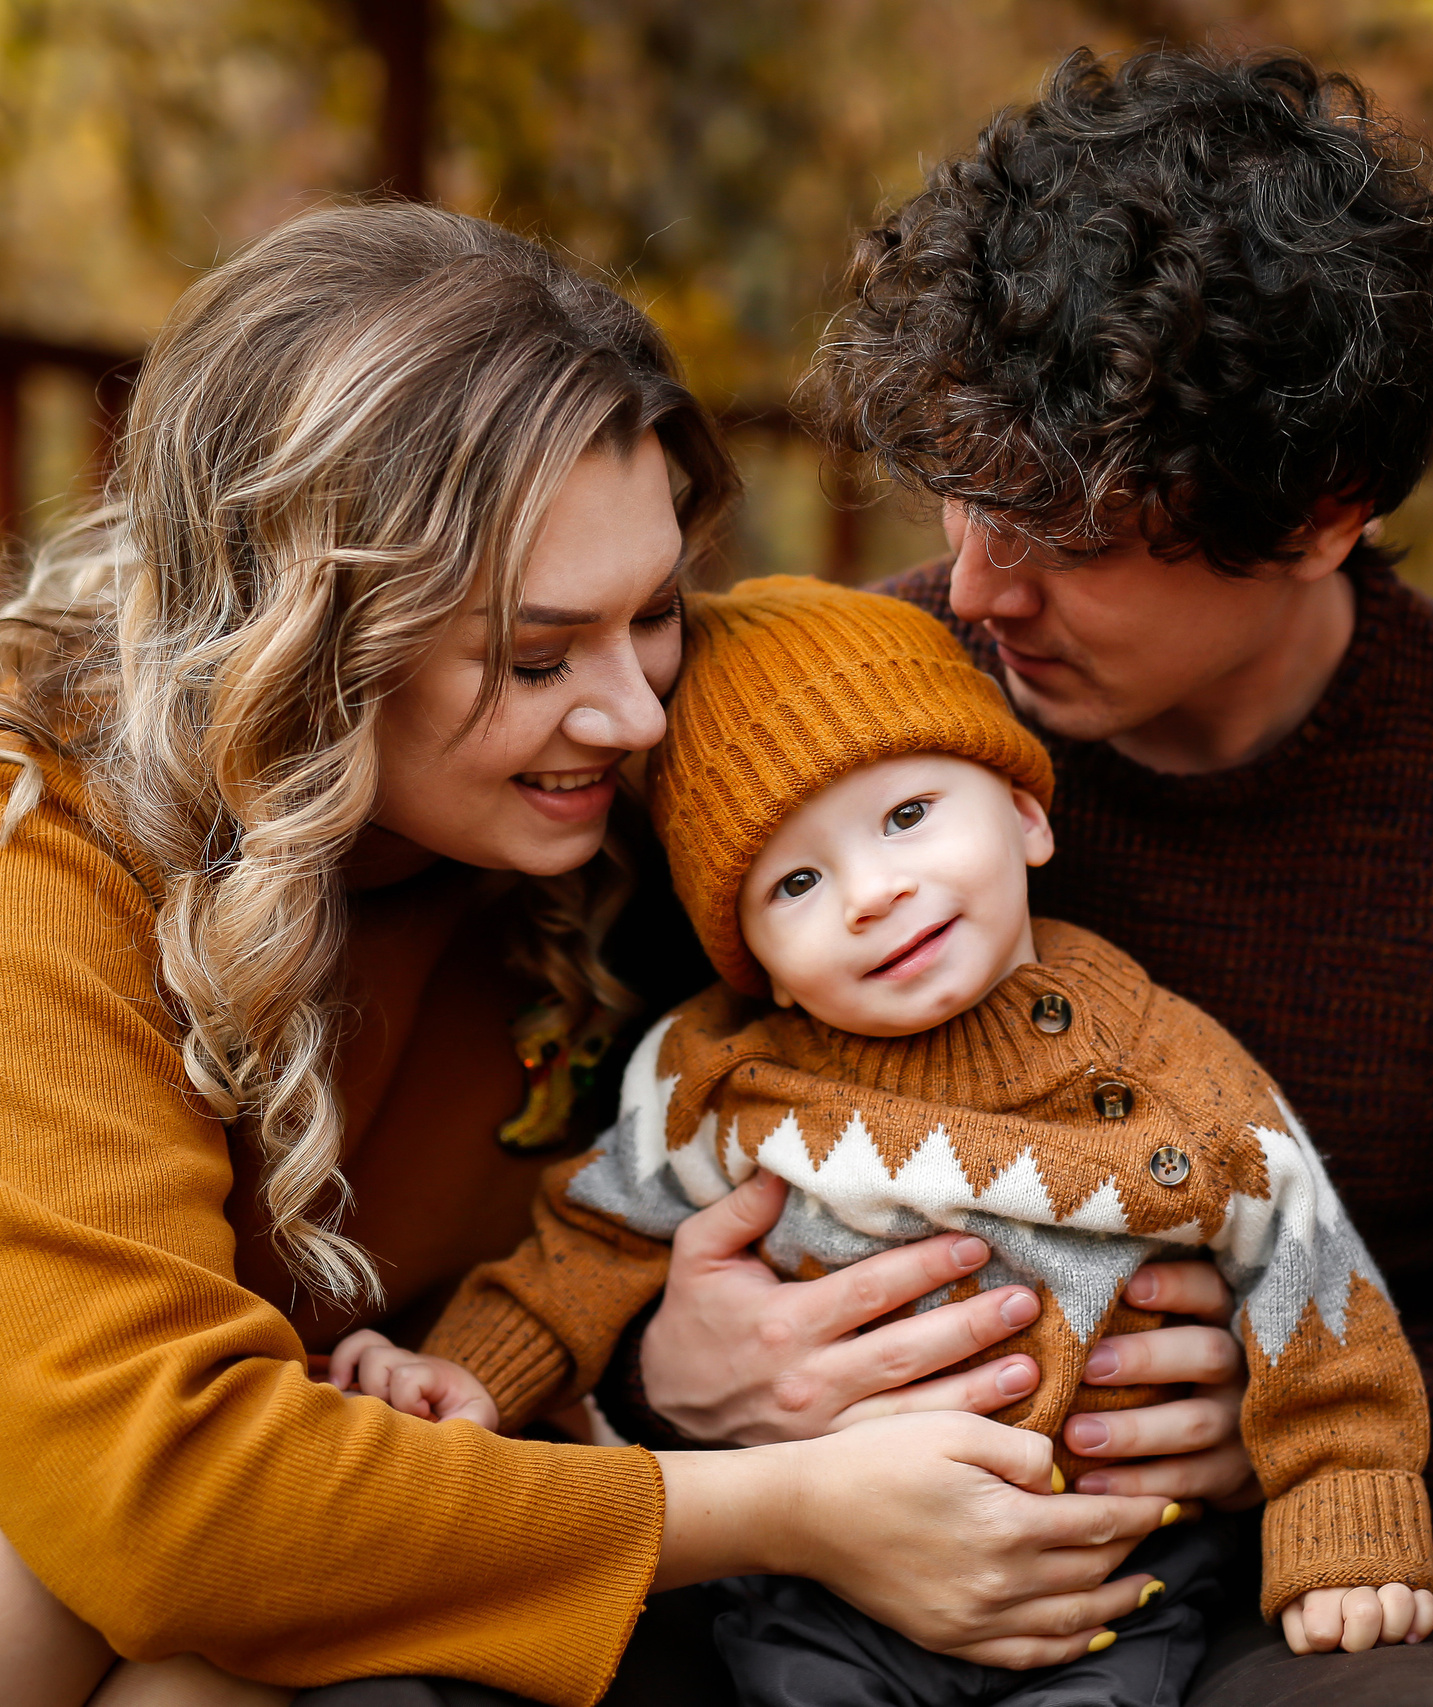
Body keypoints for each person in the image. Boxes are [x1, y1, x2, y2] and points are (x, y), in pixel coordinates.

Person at [0, 203, 1196, 1707]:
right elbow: (157, 1504)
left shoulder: (618, 794)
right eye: (537, 651)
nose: (635, 715)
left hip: (344, 1502)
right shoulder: (46, 842)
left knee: (213, 1679)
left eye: (653, 616)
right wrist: (795, 1507)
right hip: (91, 1518)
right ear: (308, 646)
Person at [776, 39, 1433, 1707]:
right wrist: (685, 1361)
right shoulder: (844, 706)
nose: (979, 588)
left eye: (1066, 535)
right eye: (966, 502)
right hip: (820, 1546)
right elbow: (571, 1148)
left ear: (1325, 512)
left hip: (1299, 1587)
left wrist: (1313, 1405)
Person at [338, 573, 1433, 1705]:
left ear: (1024, 813)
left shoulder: (1166, 1068)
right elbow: (585, 1250)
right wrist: (467, 1376)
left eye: (908, 815)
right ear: (751, 956)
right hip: (821, 1588)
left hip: (1103, 1577)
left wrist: (1342, 1502)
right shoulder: (722, 1079)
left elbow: (1306, 1279)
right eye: (798, 880)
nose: (871, 893)